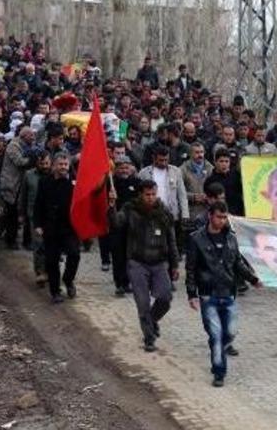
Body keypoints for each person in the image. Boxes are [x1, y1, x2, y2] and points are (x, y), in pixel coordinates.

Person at [186, 201, 262, 387]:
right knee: (216, 335)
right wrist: (192, 294)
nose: (222, 221)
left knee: (230, 332)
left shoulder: (231, 238)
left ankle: (217, 348)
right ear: (210, 215)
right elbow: (191, 269)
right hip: (208, 294)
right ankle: (219, 372)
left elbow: (237, 263)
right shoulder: (196, 239)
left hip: (228, 293)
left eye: (224, 217)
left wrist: (253, 279)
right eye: (219, 217)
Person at [109, 180, 179, 352]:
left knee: (165, 298)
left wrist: (175, 264)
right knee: (143, 303)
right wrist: (111, 205)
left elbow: (172, 240)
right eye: (147, 194)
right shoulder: (130, 209)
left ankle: (152, 320)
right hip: (137, 263)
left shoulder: (164, 212)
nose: (151, 197)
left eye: (153, 194)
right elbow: (116, 223)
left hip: (159, 262)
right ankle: (149, 337)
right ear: (140, 194)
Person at [33, 152, 80, 303]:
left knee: (74, 254)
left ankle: (68, 280)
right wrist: (37, 224)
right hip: (51, 227)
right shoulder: (45, 182)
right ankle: (55, 292)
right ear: (54, 165)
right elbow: (38, 204)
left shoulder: (75, 182)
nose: (63, 167)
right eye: (60, 164)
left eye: (65, 164)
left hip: (70, 228)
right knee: (52, 261)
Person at [139, 145, 190, 251]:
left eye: (166, 160)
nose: (164, 163)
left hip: (171, 214)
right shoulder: (144, 173)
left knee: (172, 244)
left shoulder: (176, 171)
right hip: (151, 214)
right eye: (161, 160)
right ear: (154, 158)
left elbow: (182, 194)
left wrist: (185, 213)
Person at [109, 155, 142, 295]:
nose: (124, 170)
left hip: (133, 225)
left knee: (132, 255)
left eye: (126, 167)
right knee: (118, 255)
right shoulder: (111, 183)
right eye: (121, 168)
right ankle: (119, 283)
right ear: (116, 169)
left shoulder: (137, 183)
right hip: (117, 225)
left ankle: (129, 281)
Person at [0, 126, 37, 249]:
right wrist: (32, 159)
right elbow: (19, 162)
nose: (33, 137)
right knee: (12, 214)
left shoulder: (28, 146)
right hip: (11, 184)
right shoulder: (13, 146)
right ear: (24, 136)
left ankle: (21, 240)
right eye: (31, 135)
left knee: (21, 213)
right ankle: (10, 240)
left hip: (21, 184)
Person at [20, 151, 52, 286]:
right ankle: (40, 272)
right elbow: (23, 196)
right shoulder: (28, 175)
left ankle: (50, 271)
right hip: (34, 216)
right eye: (41, 163)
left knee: (50, 245)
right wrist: (21, 214)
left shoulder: (54, 175)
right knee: (38, 244)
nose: (44, 166)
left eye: (46, 163)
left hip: (51, 216)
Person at [181, 142, 215, 222]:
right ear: (190, 154)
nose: (200, 155)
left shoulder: (211, 169)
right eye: (197, 152)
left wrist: (209, 196)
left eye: (202, 152)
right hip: (190, 213)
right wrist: (193, 197)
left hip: (208, 212)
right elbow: (178, 192)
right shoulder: (182, 170)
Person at [205, 148, 244, 216]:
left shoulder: (237, 176)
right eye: (221, 161)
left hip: (238, 214)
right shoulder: (210, 181)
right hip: (221, 215)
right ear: (215, 162)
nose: (224, 164)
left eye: (226, 161)